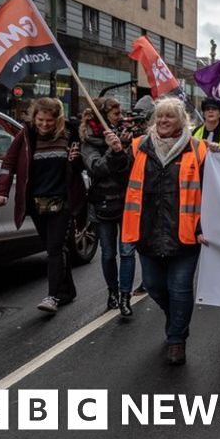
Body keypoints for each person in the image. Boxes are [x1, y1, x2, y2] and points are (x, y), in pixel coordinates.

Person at [122, 97, 208, 365]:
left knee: (180, 288)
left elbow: (213, 192)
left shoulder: (198, 149)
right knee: (154, 286)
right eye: (159, 117)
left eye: (169, 117)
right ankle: (175, 318)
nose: (162, 121)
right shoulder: (138, 147)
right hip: (147, 232)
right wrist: (114, 154)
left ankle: (177, 340)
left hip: (184, 234)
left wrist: (204, 226)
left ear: (182, 121)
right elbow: (113, 175)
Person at [0, 97, 85, 315]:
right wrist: (1, 192)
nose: (44, 124)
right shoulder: (26, 136)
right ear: (34, 117)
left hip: (62, 202)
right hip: (36, 203)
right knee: (55, 248)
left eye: (49, 121)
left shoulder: (69, 135)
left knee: (54, 248)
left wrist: (75, 160)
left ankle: (52, 296)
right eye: (41, 119)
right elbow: (8, 163)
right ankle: (67, 291)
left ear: (58, 119)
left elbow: (80, 167)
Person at [80, 97, 137, 316]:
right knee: (108, 253)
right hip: (103, 203)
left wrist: (122, 149)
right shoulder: (88, 141)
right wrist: (112, 151)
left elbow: (129, 170)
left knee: (127, 252)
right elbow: (96, 168)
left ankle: (125, 296)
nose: (120, 117)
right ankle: (112, 292)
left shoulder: (123, 135)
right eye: (115, 113)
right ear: (103, 117)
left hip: (126, 202)